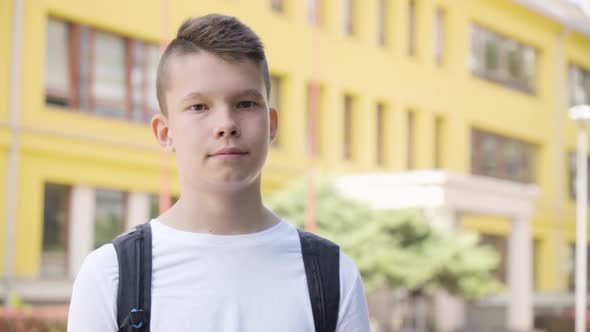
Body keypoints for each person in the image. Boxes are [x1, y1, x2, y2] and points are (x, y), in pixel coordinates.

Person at [67, 14, 370, 332]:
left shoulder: (332, 275)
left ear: (272, 124)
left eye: (246, 103)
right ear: (164, 132)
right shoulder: (111, 276)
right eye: (199, 107)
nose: (226, 124)